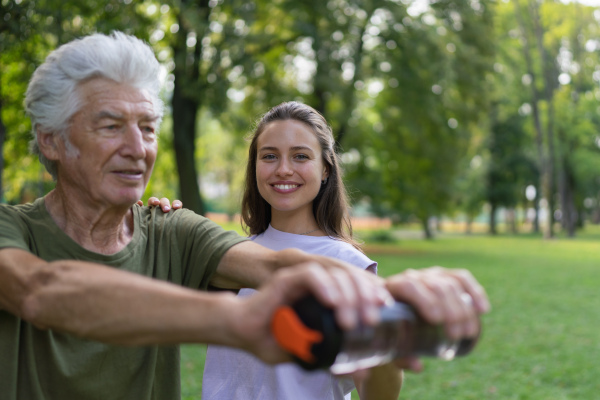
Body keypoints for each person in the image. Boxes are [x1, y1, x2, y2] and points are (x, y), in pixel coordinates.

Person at [0, 32, 489, 400]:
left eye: (148, 128)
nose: (137, 149)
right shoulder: (11, 229)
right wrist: (236, 321)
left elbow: (277, 265)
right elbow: (42, 292)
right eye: (111, 126)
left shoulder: (171, 231)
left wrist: (384, 295)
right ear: (51, 140)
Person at [200, 102, 458, 399]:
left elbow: (379, 395)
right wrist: (149, 221)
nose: (283, 169)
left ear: (325, 169)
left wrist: (387, 340)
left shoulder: (348, 266)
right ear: (254, 166)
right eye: (269, 156)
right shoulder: (232, 256)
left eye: (300, 156)